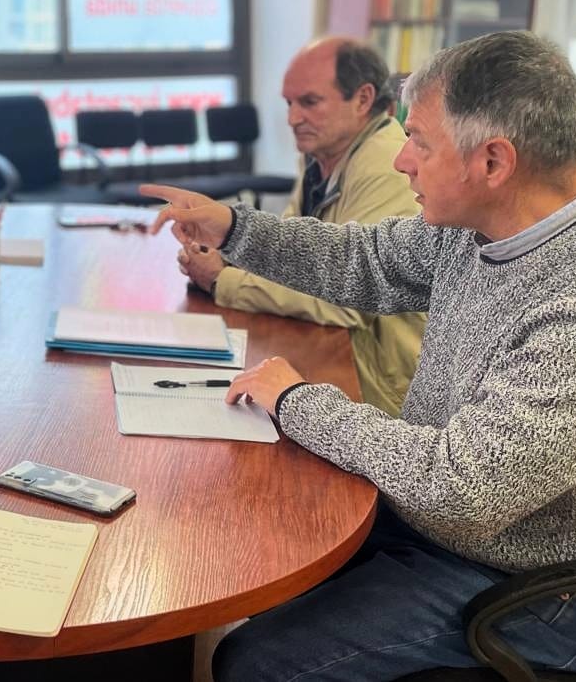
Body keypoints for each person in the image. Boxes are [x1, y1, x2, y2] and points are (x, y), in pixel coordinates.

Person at [144, 31, 576, 681]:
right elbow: (365, 260)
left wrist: (297, 401)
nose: (401, 160)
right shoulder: (485, 222)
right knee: (245, 536)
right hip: (450, 529)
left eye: (419, 142)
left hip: (546, 591)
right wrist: (236, 228)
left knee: (255, 661)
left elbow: (463, 490)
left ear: (493, 161)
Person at [177, 37, 425, 414]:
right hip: (336, 354)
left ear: (362, 99)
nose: (293, 119)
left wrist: (221, 281)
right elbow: (289, 256)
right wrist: (227, 255)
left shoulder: (387, 166)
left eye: (309, 102)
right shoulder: (322, 158)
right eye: (289, 104)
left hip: (376, 390)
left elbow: (348, 301)